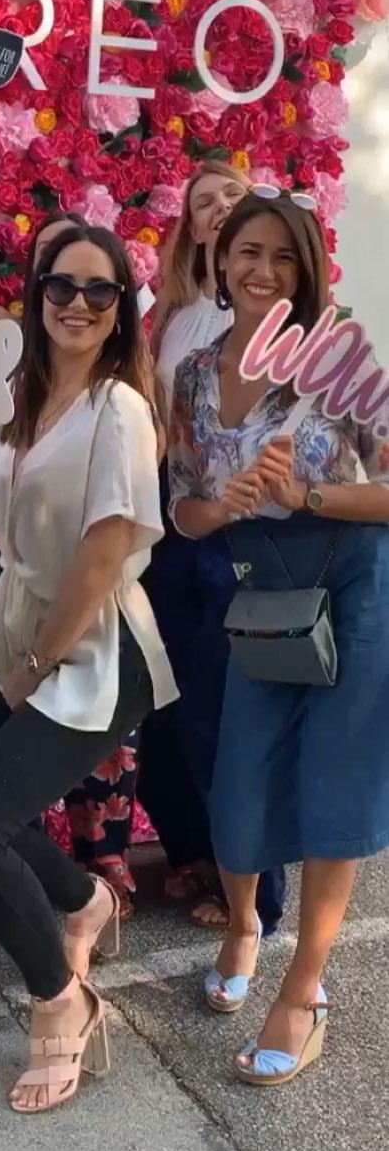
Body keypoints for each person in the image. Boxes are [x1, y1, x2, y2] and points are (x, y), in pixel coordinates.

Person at [0, 224, 177, 1113]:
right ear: (37, 297)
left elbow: (104, 554)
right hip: (26, 639)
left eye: (98, 290)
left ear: (120, 312)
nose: (77, 303)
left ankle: (59, 1002)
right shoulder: (22, 398)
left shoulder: (120, 410)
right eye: (60, 286)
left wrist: (40, 657)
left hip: (95, 647)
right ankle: (82, 900)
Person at [169, 188, 389, 1085]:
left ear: (307, 270)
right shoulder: (193, 372)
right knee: (239, 784)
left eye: (284, 256)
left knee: (336, 781)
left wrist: (308, 494)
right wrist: (223, 506)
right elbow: (182, 506)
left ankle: (304, 990)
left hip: (353, 580)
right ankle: (243, 925)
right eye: (248, 252)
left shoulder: (340, 360)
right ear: (220, 262)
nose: (263, 270)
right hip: (258, 589)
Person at [139, 162, 286, 937]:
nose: (222, 208)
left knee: (230, 714)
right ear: (193, 231)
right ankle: (196, 853)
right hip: (177, 520)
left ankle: (257, 897)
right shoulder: (171, 314)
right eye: (205, 202)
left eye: (233, 195)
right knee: (168, 708)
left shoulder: (277, 316)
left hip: (247, 532)